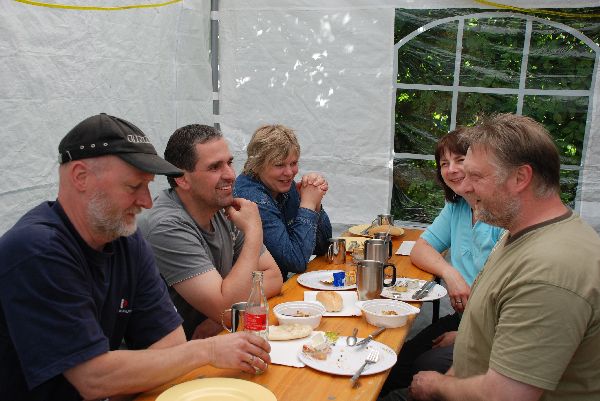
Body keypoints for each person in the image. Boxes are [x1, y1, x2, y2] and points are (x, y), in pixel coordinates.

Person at [0, 114, 271, 401]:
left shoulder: (126, 239)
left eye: (148, 185)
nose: (147, 202)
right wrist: (208, 350)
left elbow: (170, 343)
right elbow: (93, 377)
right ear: (80, 177)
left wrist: (136, 372)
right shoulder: (37, 249)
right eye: (133, 187)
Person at [408, 113, 600, 401]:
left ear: (520, 177)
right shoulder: (518, 233)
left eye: (476, 176)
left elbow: (507, 395)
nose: (466, 188)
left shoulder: (550, 271)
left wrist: (436, 386)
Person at [379, 129, 503, 399]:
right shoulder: (458, 207)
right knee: (395, 360)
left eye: (459, 160)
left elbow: (508, 300)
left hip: (490, 328)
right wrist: (451, 273)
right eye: (444, 163)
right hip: (464, 318)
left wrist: (466, 337)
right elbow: (420, 249)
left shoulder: (500, 214)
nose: (452, 170)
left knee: (424, 364)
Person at [138, 124, 283, 340]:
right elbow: (227, 311)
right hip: (167, 360)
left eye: (230, 163)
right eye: (215, 167)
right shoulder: (166, 225)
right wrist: (254, 231)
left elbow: (273, 276)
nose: (231, 175)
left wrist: (217, 317)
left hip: (212, 343)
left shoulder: (221, 207)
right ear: (181, 178)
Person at [233, 124, 332, 280]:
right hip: (252, 296)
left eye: (293, 163)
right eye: (279, 165)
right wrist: (307, 206)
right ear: (257, 165)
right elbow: (295, 261)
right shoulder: (252, 198)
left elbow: (324, 247)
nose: (289, 173)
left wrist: (316, 204)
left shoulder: (281, 184)